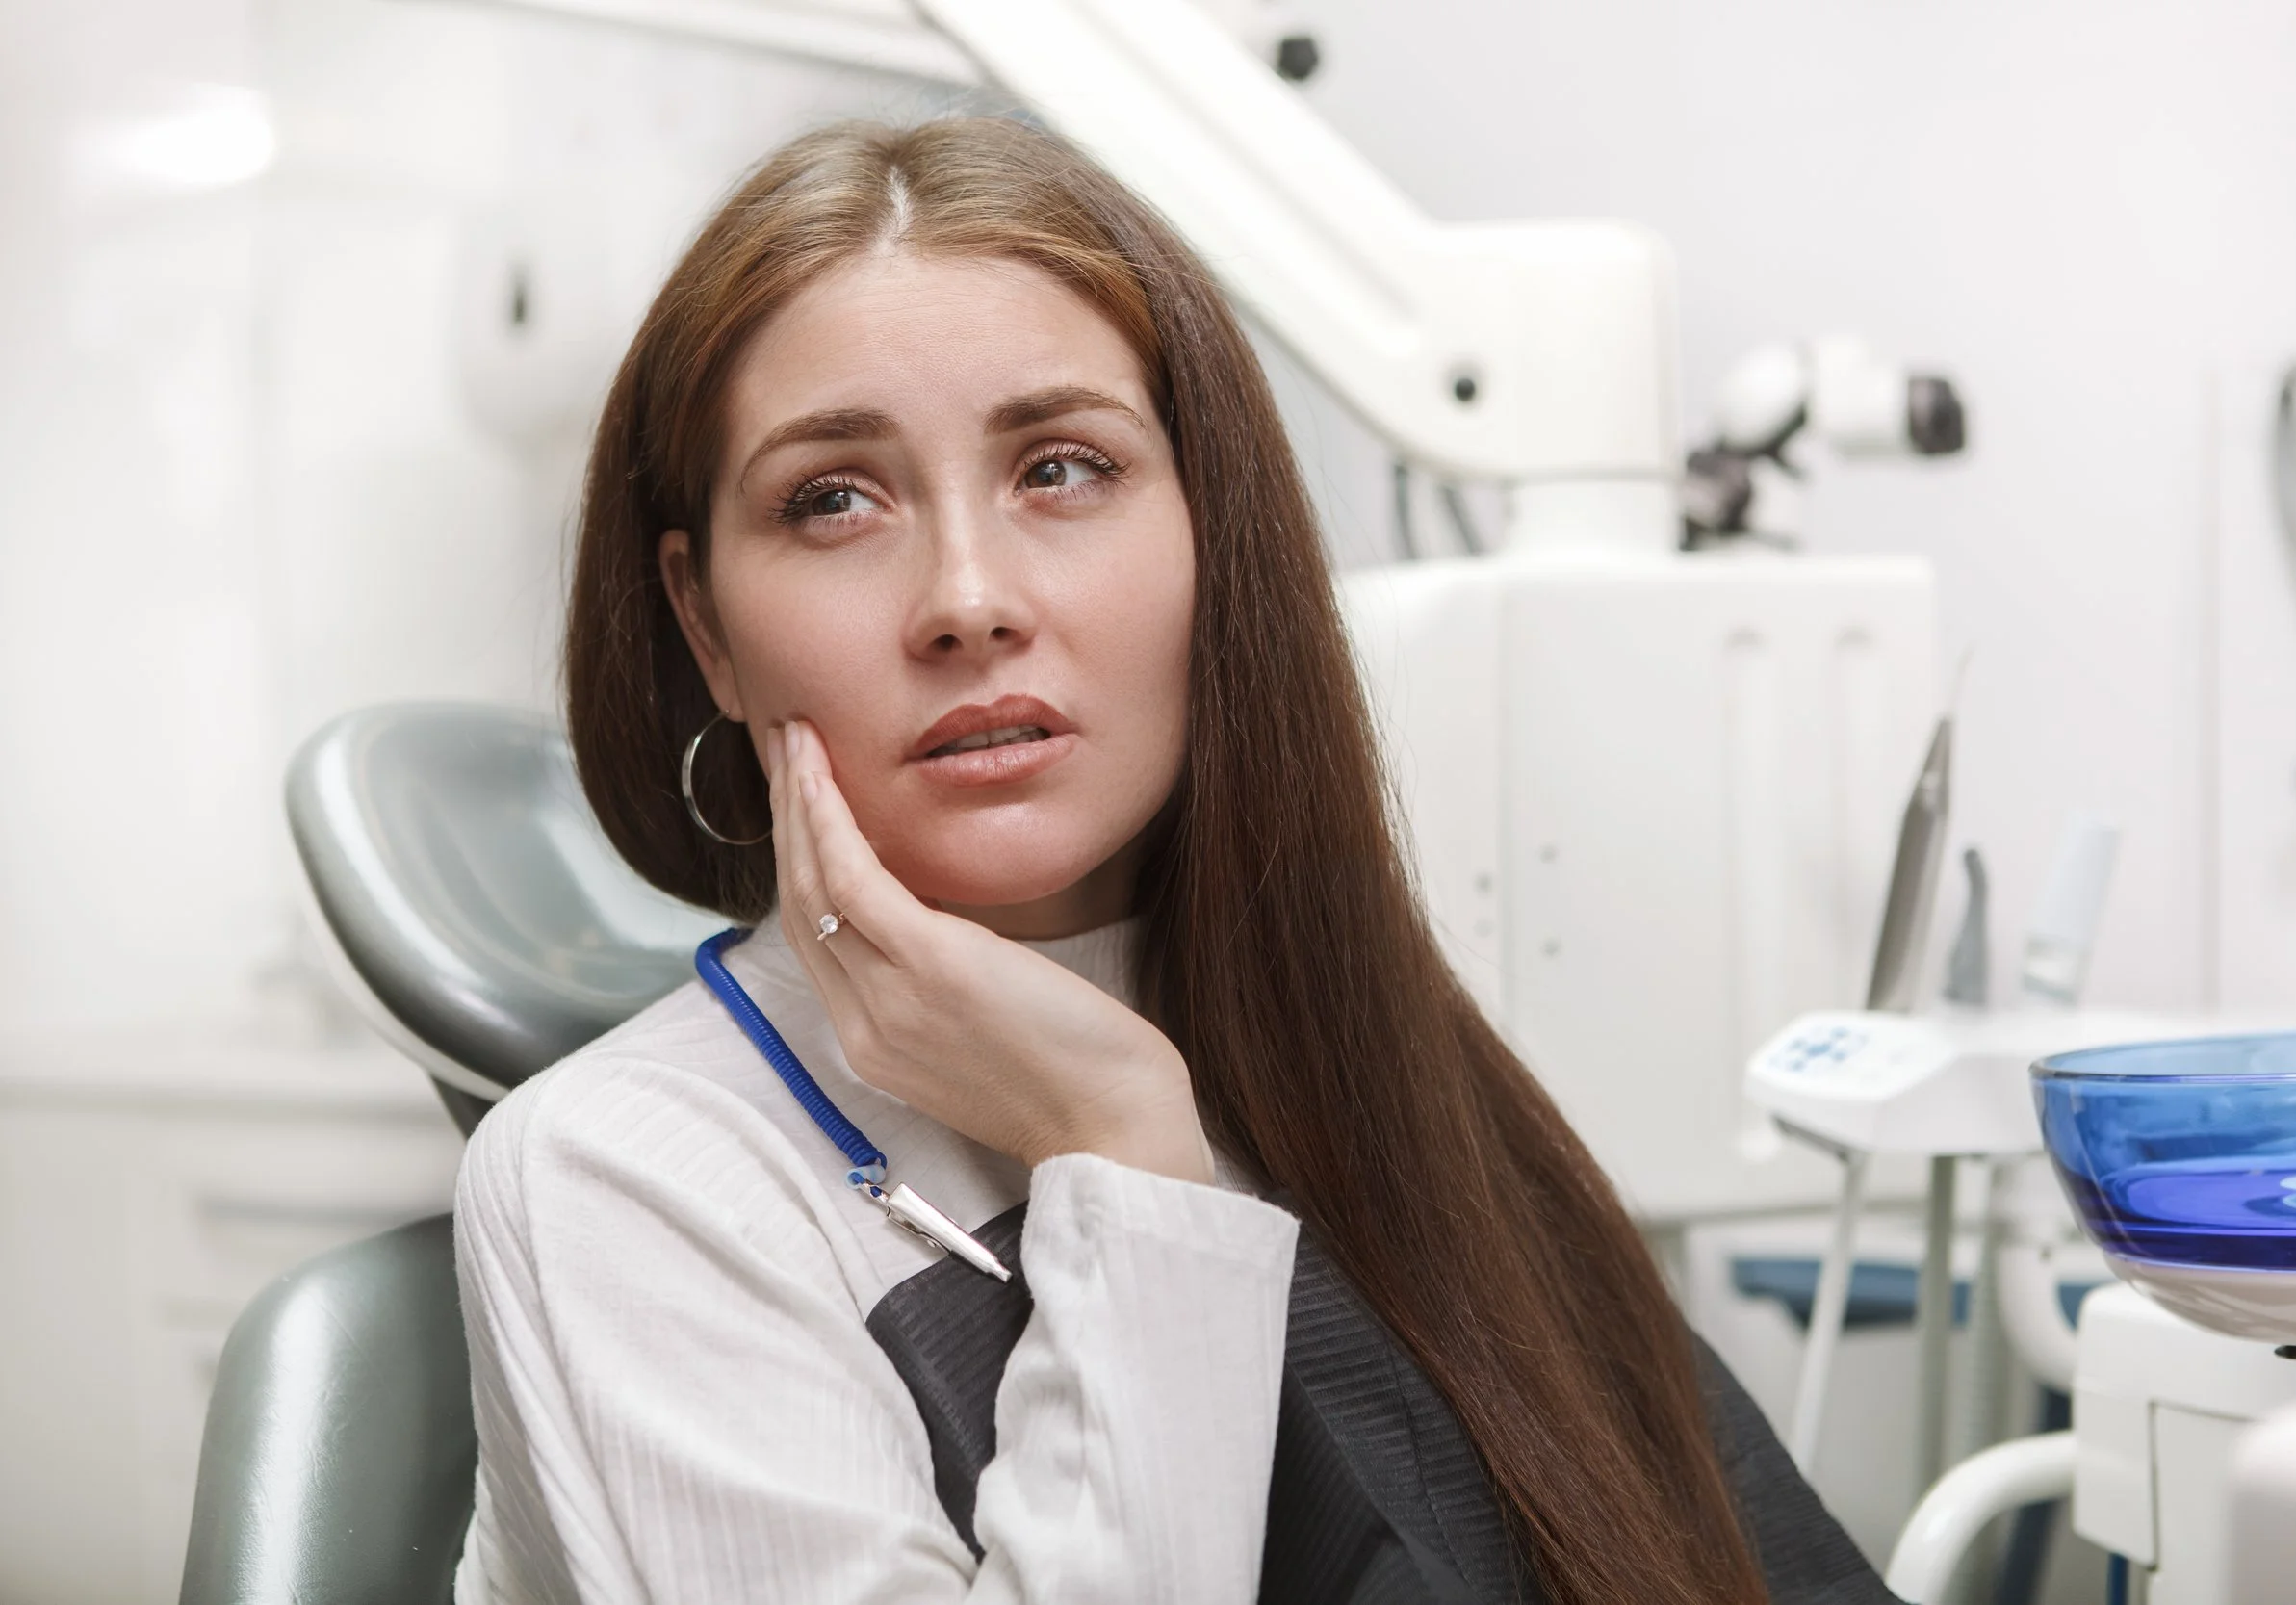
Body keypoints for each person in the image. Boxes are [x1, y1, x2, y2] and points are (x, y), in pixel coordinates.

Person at [452, 116, 1893, 1605]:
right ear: (707, 626)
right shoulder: (627, 1181)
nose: (967, 598)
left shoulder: (1358, 1049)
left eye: (1063, 468)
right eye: (833, 499)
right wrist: (1120, 1141)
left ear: (1217, 533)